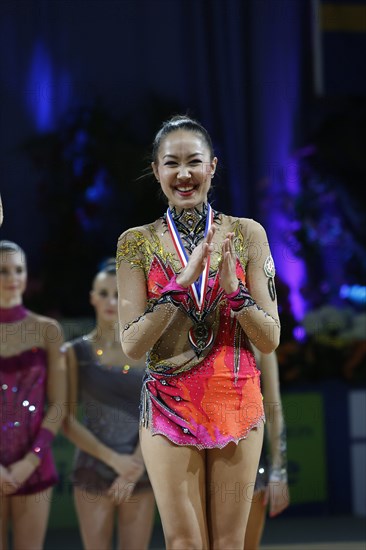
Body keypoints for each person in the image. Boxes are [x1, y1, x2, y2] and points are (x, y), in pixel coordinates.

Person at [116, 114, 281, 549]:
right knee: (185, 542)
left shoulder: (247, 234)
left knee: (229, 543)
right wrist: (177, 288)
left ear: (213, 167)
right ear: (156, 170)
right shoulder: (136, 242)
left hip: (236, 397)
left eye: (194, 162)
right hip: (169, 404)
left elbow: (270, 338)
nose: (183, 174)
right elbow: (131, 344)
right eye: (171, 163)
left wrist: (235, 294)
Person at [62, 259, 155, 550]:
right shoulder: (74, 352)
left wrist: (134, 466)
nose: (110, 301)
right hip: (93, 468)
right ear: (92, 297)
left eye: (118, 293)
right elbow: (65, 419)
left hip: (141, 467)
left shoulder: (151, 351)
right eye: (103, 293)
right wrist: (116, 462)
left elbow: (161, 413)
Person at [0, 240, 66, 550]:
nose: (12, 277)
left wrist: (31, 460)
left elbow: (59, 405)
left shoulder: (47, 330)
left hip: (35, 465)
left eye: (18, 270)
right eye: (3, 271)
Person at [244, 350, 290, 550]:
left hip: (250, 461)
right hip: (195, 454)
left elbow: (273, 407)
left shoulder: (258, 339)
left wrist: (279, 472)